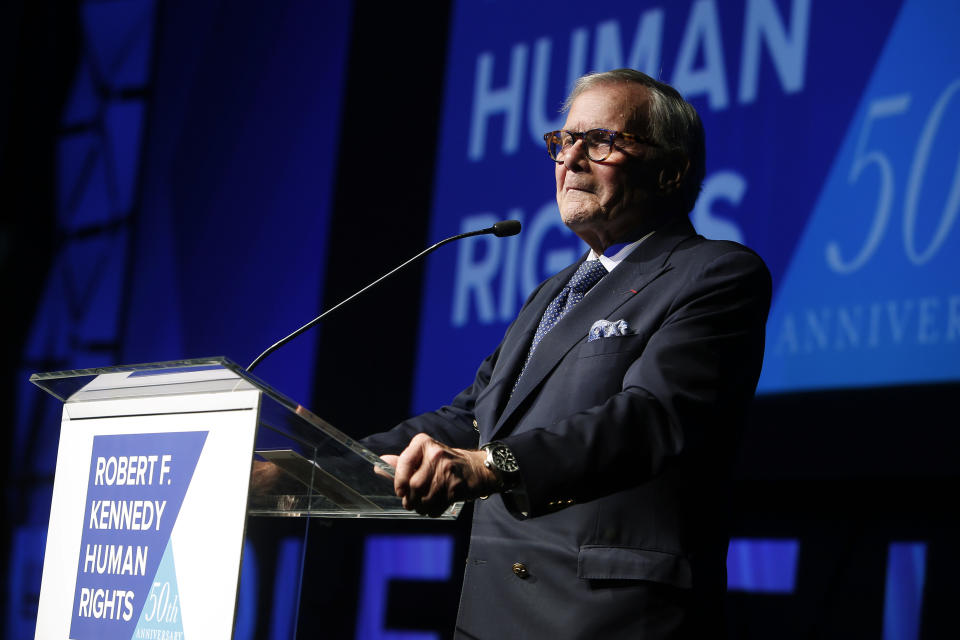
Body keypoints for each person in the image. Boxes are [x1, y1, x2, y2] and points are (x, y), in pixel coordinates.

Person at [362, 68, 771, 639]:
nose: (570, 159)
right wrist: (327, 461)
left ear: (671, 170)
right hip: (490, 615)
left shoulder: (716, 273)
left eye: (600, 141)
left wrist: (490, 465)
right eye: (564, 140)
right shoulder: (553, 292)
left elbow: (651, 419)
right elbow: (472, 417)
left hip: (609, 619)